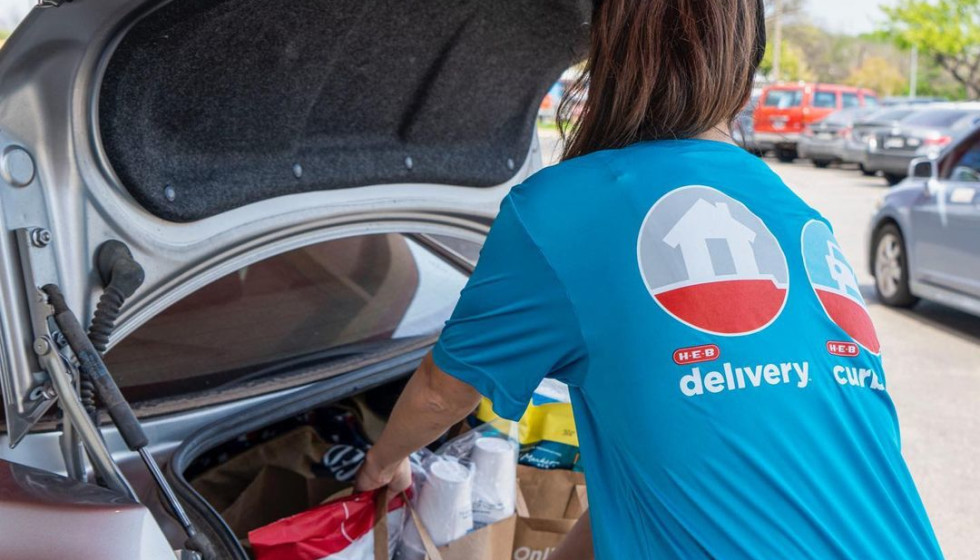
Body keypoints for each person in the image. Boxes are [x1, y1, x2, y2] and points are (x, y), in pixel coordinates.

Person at [355, 0, 945, 558]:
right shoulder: (792, 209)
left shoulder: (564, 210)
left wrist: (384, 462)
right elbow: (672, 475)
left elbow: (440, 391)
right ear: (746, 59)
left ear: (609, 52)